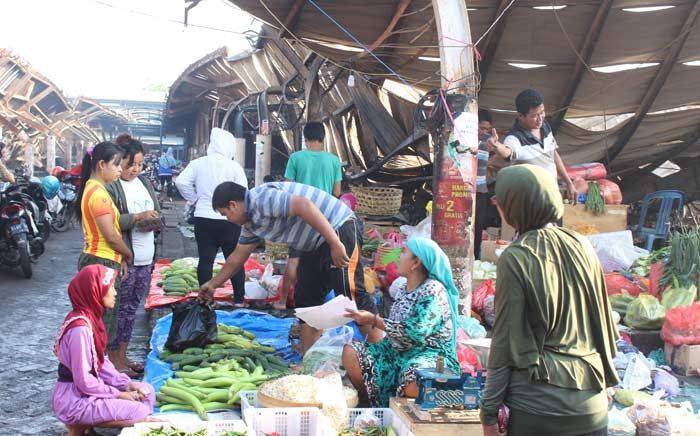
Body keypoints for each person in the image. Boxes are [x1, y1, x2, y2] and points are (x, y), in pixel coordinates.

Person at [479, 165, 619, 436]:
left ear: (516, 205)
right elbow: (601, 326)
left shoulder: (516, 256)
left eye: (502, 201)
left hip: (540, 410)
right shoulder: (583, 246)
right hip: (593, 405)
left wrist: (488, 415)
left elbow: (504, 343)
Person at [202, 181, 381, 353]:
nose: (228, 219)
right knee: (305, 297)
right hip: (313, 244)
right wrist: (213, 284)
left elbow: (304, 205)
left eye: (225, 214)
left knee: (350, 292)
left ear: (233, 205)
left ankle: (380, 350)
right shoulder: (251, 224)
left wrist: (335, 242)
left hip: (339, 226)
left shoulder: (260, 200)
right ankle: (309, 356)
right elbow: (237, 257)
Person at [343, 237, 459, 407]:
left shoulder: (433, 290)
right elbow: (395, 330)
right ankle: (371, 405)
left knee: (414, 380)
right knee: (351, 352)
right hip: (396, 352)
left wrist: (374, 320)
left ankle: (407, 415)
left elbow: (416, 331)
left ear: (416, 263)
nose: (398, 256)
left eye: (404, 252)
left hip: (428, 354)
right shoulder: (403, 289)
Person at [52, 264, 155, 436]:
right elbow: (84, 380)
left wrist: (126, 384)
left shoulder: (90, 318)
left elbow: (101, 362)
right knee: (140, 412)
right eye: (110, 288)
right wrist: (118, 395)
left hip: (85, 392)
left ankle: (85, 425)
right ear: (95, 291)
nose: (115, 293)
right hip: (74, 399)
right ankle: (78, 426)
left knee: (147, 391)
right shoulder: (80, 329)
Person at [106, 134, 161, 375]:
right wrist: (138, 218)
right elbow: (111, 222)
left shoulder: (145, 183)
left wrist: (153, 219)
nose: (135, 169)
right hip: (126, 259)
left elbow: (156, 211)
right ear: (120, 161)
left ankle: (123, 356)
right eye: (131, 164)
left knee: (131, 310)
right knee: (117, 311)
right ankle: (112, 358)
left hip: (146, 258)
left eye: (140, 164)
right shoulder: (113, 186)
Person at [175, 128, 248, 306]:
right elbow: (244, 192)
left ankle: (206, 299)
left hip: (203, 217)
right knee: (235, 259)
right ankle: (239, 299)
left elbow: (180, 181)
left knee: (206, 259)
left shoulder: (198, 163)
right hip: (230, 219)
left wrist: (194, 199)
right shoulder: (234, 166)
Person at [75, 142, 133, 363]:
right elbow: (111, 236)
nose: (120, 169)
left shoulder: (94, 189)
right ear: (101, 165)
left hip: (102, 259)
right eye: (116, 164)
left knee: (99, 320)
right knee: (102, 322)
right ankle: (96, 370)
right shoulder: (98, 194)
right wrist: (127, 253)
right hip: (102, 262)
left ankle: (95, 368)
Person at [278, 122, 343, 310]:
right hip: (326, 218)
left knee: (294, 260)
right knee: (324, 260)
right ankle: (323, 303)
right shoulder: (333, 160)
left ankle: (282, 302)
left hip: (301, 218)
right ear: (323, 138)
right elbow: (337, 192)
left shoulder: (296, 158)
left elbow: (287, 188)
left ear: (305, 138)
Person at [488, 89, 578, 203]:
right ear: (521, 116)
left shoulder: (545, 126)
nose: (540, 118)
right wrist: (496, 146)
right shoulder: (515, 138)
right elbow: (508, 152)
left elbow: (553, 155)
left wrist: (569, 183)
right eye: (535, 115)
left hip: (552, 198)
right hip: (531, 205)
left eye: (542, 112)